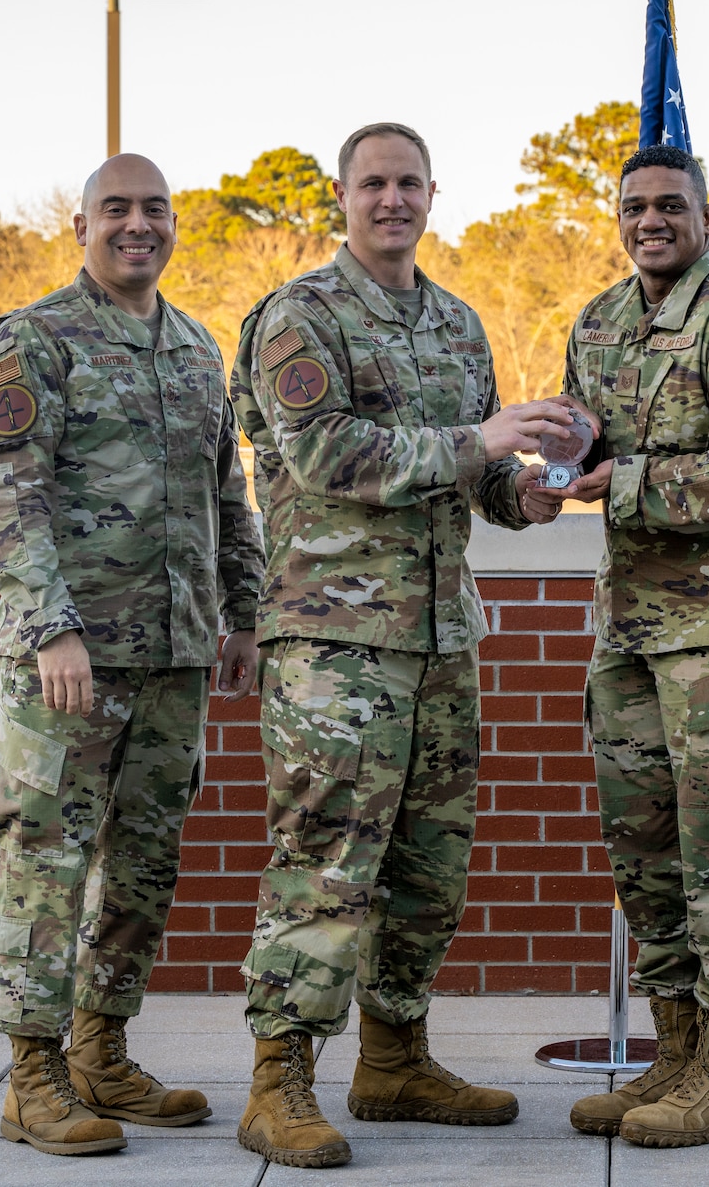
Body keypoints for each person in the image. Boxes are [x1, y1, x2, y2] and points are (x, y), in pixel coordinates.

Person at [229, 122, 572, 1169]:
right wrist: (483, 441)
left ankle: (393, 1058)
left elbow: (475, 479)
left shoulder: (458, 325)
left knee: (428, 867)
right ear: (340, 196)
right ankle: (277, 1080)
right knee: (325, 861)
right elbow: (325, 451)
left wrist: (534, 488)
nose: (392, 199)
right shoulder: (300, 315)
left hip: (436, 638)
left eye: (408, 183)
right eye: (372, 183)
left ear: (432, 195)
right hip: (334, 642)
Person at [0, 153, 264, 1156]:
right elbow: (11, 496)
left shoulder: (191, 346)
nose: (137, 225)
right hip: (71, 658)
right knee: (46, 862)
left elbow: (228, 494)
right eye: (117, 209)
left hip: (174, 653)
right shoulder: (33, 339)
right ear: (82, 223)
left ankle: (100, 1050)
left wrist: (242, 612)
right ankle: (31, 1076)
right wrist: (51, 627)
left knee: (143, 865)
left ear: (173, 223)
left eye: (154, 209)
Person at [531, 143, 709, 1148]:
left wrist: (635, 481)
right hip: (630, 632)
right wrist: (559, 463)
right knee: (643, 848)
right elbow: (592, 445)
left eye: (669, 206)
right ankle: (673, 1052)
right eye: (634, 206)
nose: (650, 221)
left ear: (705, 216)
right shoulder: (599, 321)